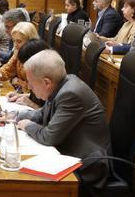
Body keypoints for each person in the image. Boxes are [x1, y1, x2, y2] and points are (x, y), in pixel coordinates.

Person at [15, 49, 111, 189]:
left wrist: (27, 125)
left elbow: (49, 137)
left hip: (87, 164)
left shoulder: (71, 94)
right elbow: (42, 114)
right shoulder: (61, 84)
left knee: (24, 180)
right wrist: (15, 116)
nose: (29, 86)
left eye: (30, 82)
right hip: (68, 151)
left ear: (46, 82)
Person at [0, 22, 39, 93]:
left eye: (19, 41)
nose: (15, 45)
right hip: (21, 94)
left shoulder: (38, 58)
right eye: (14, 41)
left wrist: (18, 82)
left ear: (30, 41)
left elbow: (36, 88)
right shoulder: (17, 52)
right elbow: (8, 69)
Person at [6, 38, 50, 108]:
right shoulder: (38, 72)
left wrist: (31, 104)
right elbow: (37, 98)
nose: (24, 68)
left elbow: (48, 115)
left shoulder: (48, 78)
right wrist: (21, 96)